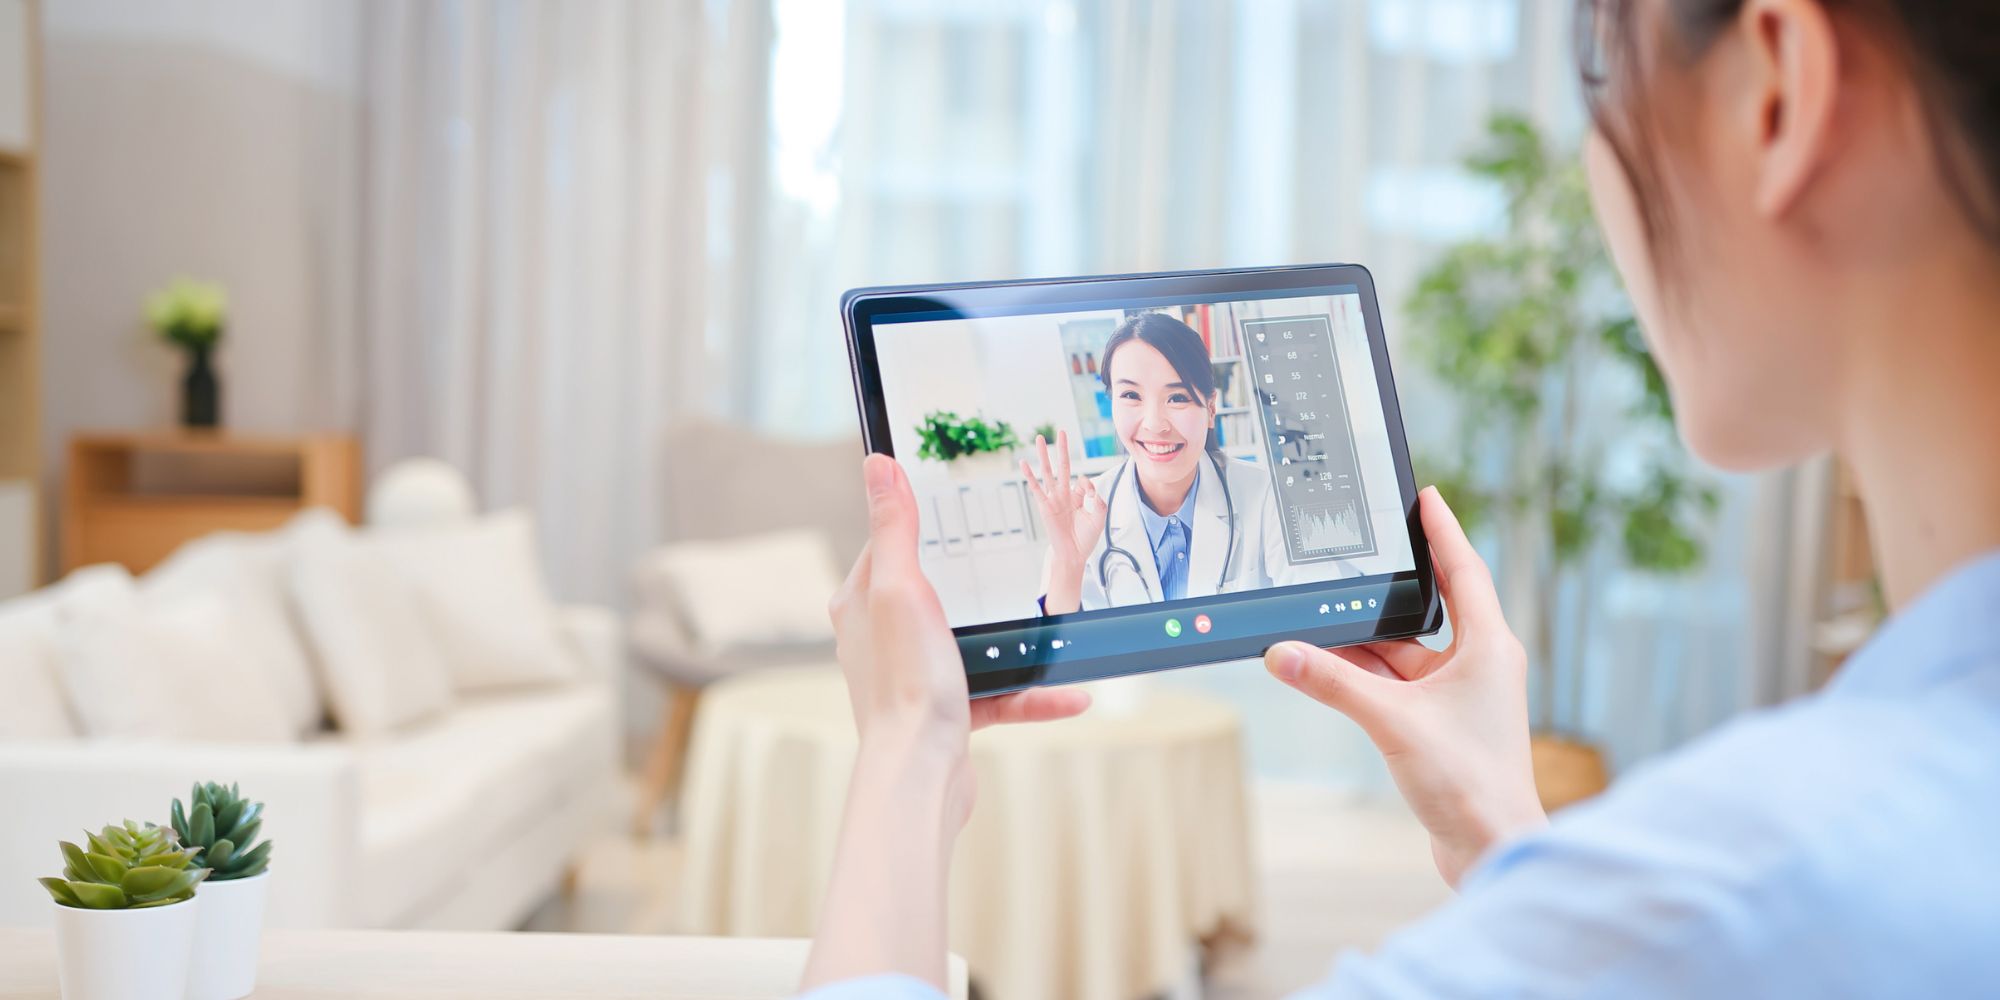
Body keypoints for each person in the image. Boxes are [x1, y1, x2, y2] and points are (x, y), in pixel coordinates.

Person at [799, 0, 2000, 994]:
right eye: (1126, 397)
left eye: (1595, 64)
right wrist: (1508, 844)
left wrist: (908, 749)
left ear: (1775, 92)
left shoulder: (1736, 889)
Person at [1019, 312, 1297, 615]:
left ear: (1211, 407)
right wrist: (1068, 562)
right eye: (1130, 395)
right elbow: (1050, 655)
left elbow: (1315, 618)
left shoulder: (1270, 494)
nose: (1154, 424)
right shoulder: (1081, 512)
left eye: (1177, 397)